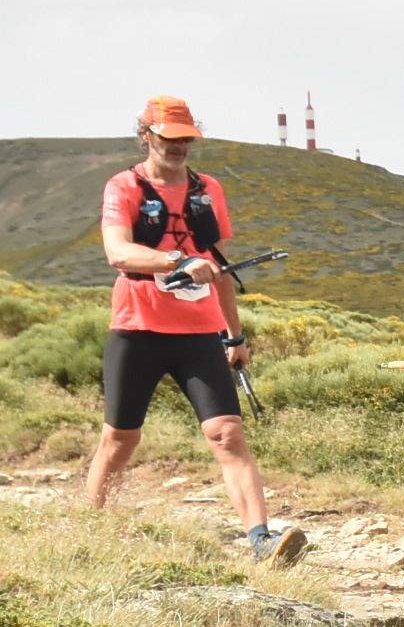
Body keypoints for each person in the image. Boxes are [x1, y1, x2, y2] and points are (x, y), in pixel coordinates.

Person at [86, 95, 304, 565]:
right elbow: (118, 253)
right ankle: (91, 526)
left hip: (199, 333)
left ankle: (262, 540)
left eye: (187, 138)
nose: (179, 146)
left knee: (227, 433)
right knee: (120, 438)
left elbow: (218, 267)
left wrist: (235, 335)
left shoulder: (209, 190)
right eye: (170, 137)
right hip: (136, 328)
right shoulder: (122, 186)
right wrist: (177, 260)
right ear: (146, 135)